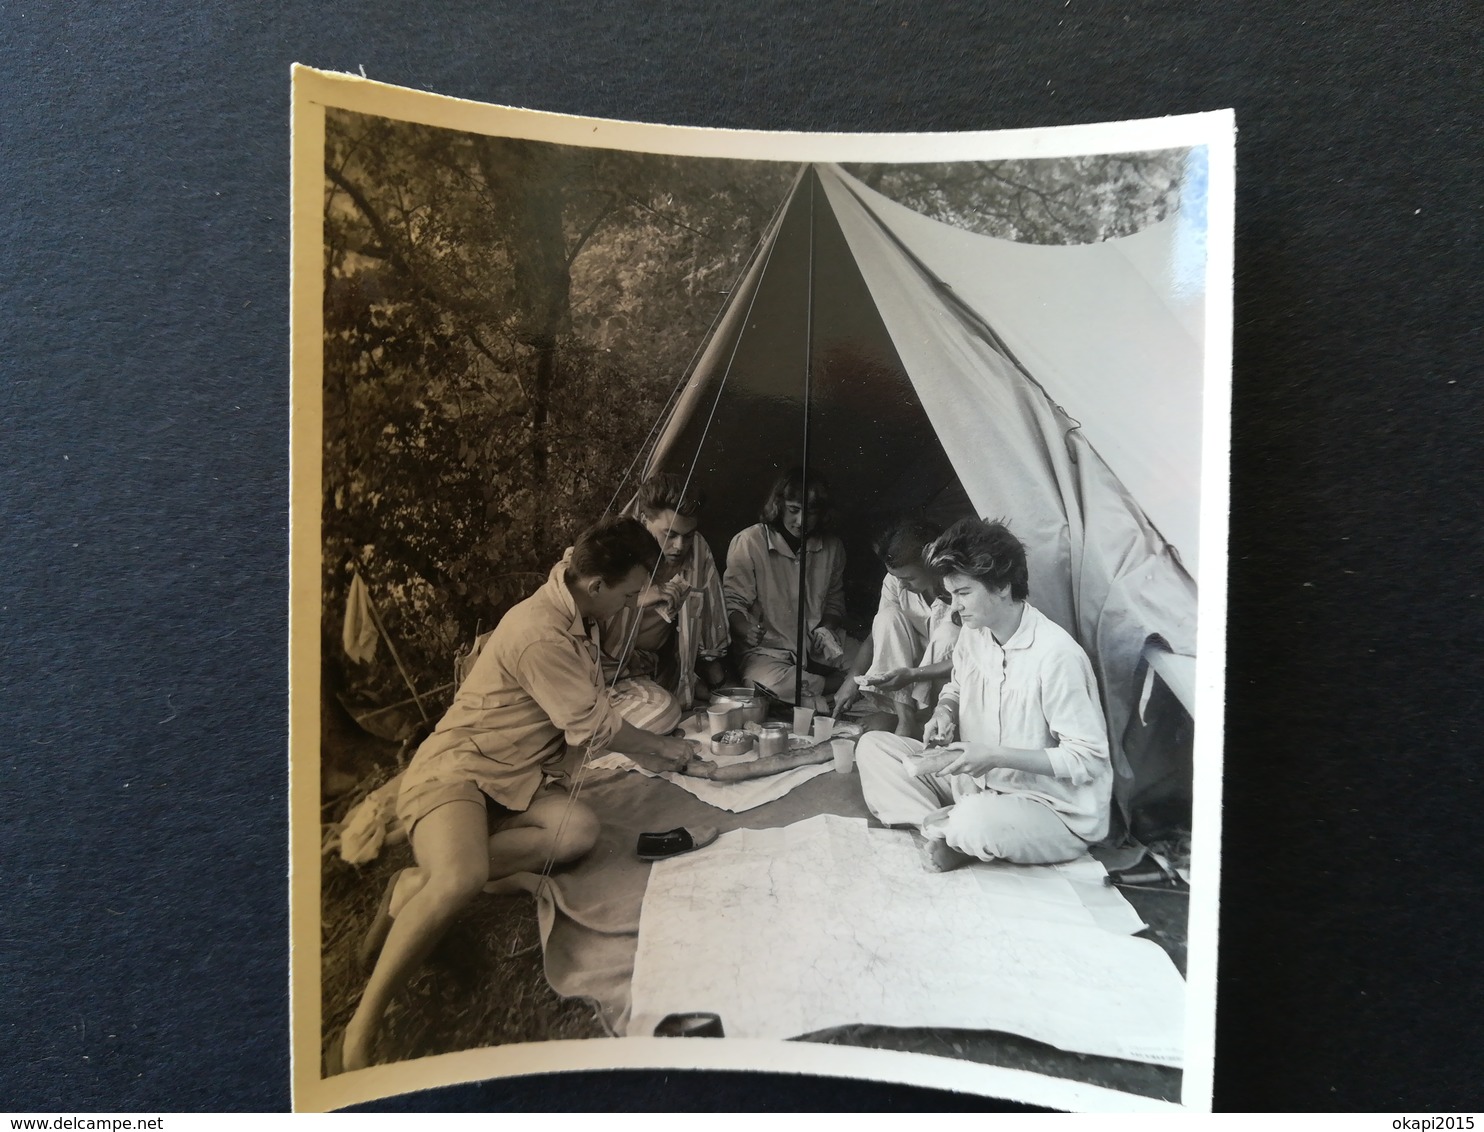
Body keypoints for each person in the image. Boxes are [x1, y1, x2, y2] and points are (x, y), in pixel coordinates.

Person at [341, 517, 699, 1071]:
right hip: (459, 771)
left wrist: (654, 745)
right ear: (598, 585)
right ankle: (358, 1034)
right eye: (628, 595)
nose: (631, 605)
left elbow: (595, 710)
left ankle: (415, 882)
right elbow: (594, 728)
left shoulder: (580, 606)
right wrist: (659, 747)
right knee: (459, 880)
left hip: (517, 779)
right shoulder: (539, 630)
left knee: (579, 832)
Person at [856, 518, 1111, 871]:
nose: (955, 606)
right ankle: (941, 830)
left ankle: (960, 830)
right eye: (951, 593)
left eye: (963, 593)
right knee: (874, 748)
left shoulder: (1056, 656)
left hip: (1048, 806)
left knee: (976, 820)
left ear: (1003, 585)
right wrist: (944, 711)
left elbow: (1088, 760)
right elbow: (956, 684)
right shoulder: (975, 635)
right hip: (980, 786)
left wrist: (995, 756)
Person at [599, 472, 730, 714]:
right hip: (607, 672)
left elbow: (712, 628)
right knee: (664, 712)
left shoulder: (698, 549)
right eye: (669, 534)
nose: (680, 546)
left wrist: (723, 688)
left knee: (708, 702)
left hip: (658, 668)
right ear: (642, 520)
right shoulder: (613, 549)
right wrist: (638, 599)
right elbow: (583, 608)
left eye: (687, 535)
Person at [722, 467, 850, 706]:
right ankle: (839, 685)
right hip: (767, 652)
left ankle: (821, 689)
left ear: (821, 513)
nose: (801, 521)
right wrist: (745, 627)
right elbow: (732, 602)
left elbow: (835, 600)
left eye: (811, 512)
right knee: (765, 686)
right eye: (794, 510)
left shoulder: (832, 547)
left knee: (872, 660)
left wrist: (828, 629)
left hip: (815, 647)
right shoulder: (750, 542)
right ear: (778, 505)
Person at [832, 517, 960, 738]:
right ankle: (906, 719)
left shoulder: (958, 588)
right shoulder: (896, 581)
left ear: (931, 564)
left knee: (947, 635)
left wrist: (912, 674)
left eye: (908, 577)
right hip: (913, 667)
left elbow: (969, 657)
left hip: (954, 675)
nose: (901, 583)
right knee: (886, 617)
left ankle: (932, 720)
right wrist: (851, 679)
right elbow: (877, 635)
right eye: (896, 577)